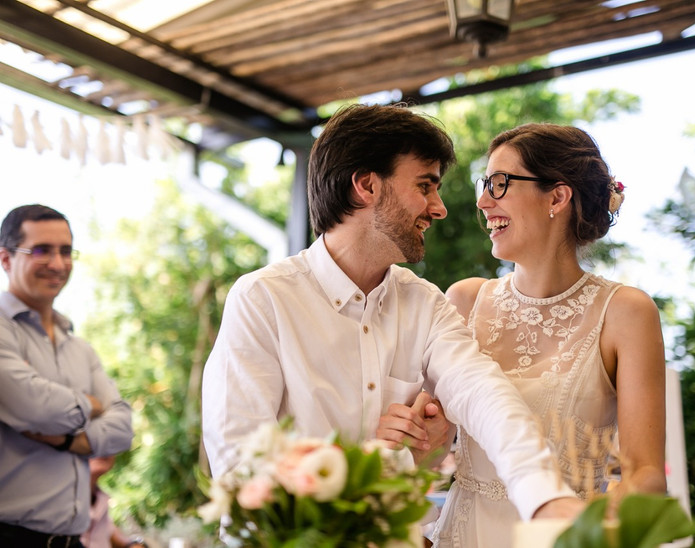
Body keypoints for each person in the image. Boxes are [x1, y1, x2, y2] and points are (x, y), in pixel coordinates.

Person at [201, 104, 584, 528]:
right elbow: (245, 481)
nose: (438, 208)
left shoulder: (425, 304)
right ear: (366, 185)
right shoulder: (262, 300)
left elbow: (484, 394)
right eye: (425, 185)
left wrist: (544, 497)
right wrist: (400, 461)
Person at [431, 123, 668, 547]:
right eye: (484, 185)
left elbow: (645, 473)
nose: (483, 201)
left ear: (557, 197)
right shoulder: (464, 301)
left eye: (499, 183)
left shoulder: (626, 313)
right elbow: (428, 447)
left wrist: (601, 526)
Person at [0, 204, 134, 547]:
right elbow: (38, 409)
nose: (58, 264)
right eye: (42, 251)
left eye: (65, 251)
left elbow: (122, 429)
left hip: (74, 539)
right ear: (5, 259)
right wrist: (91, 404)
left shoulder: (80, 348)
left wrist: (67, 440)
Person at [82, 456, 148, 548]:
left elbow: (111, 532)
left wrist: (132, 544)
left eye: (111, 445)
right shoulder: (60, 499)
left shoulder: (101, 499)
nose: (104, 451)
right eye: (94, 442)